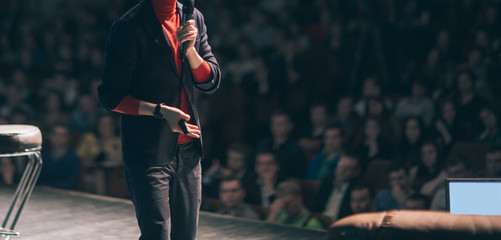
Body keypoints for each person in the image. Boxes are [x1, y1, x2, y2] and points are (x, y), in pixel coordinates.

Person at [97, 0, 221, 239]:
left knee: (186, 235)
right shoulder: (128, 27)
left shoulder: (193, 16)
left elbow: (211, 81)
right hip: (148, 151)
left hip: (188, 149)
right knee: (158, 234)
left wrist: (191, 52)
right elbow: (110, 96)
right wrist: (160, 111)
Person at [256, 110, 307, 178]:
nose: (276, 127)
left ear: (290, 126)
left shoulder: (296, 150)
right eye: (274, 124)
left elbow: (299, 175)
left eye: (281, 124)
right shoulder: (262, 146)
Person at [314, 154, 361, 221]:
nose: (341, 170)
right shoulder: (327, 181)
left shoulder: (356, 188)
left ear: (356, 172)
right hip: (320, 221)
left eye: (347, 168)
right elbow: (317, 206)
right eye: (340, 165)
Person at [38, 124, 81, 189]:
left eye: (63, 135)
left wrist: (49, 186)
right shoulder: (42, 158)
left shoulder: (73, 159)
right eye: (56, 135)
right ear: (50, 136)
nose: (59, 138)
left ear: (68, 138)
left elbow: (71, 183)